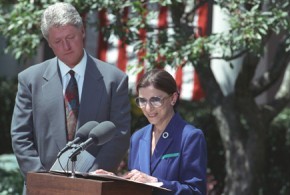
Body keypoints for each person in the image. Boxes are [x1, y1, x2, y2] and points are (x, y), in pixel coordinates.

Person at [10, 2, 131, 194]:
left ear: (82, 31)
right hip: (42, 188)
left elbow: (120, 134)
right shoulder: (29, 80)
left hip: (93, 186)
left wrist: (90, 180)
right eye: (57, 41)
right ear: (48, 43)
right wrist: (44, 180)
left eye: (70, 37)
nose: (66, 46)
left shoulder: (114, 80)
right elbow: (20, 136)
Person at [94, 69, 207, 194]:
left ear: (173, 98)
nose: (148, 108)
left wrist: (155, 182)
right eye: (142, 101)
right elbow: (136, 185)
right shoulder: (138, 137)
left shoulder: (190, 136)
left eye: (155, 100)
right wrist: (114, 181)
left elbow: (196, 191)